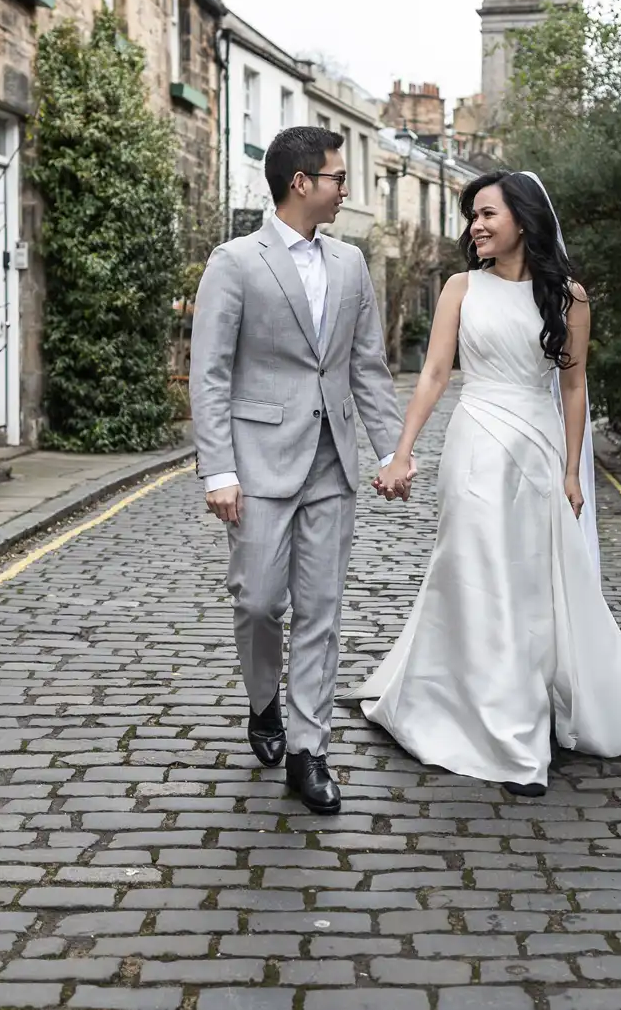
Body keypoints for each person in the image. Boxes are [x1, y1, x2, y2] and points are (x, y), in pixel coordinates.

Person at [354, 170, 621, 796]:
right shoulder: (460, 288)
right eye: (472, 217)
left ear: (523, 219)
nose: (476, 226)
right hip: (475, 444)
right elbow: (435, 373)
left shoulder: (570, 298)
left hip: (540, 446)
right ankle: (506, 727)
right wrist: (400, 453)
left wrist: (575, 469)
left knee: (533, 583)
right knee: (476, 572)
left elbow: (574, 388)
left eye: (487, 214)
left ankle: (527, 698)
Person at [189, 126, 410, 815]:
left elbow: (366, 367)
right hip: (256, 463)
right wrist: (217, 469)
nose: (348, 187)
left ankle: (310, 750)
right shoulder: (235, 261)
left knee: (320, 610)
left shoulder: (349, 265)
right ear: (301, 183)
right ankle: (264, 705)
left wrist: (390, 450)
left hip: (331, 464)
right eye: (339, 177)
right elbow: (211, 373)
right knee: (258, 601)